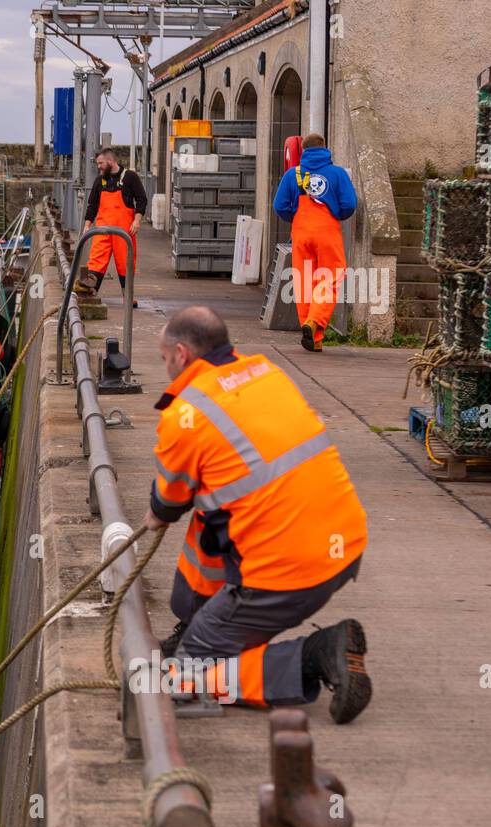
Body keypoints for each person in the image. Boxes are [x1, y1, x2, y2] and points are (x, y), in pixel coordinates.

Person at [145, 305, 372, 723]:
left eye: (164, 359)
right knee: (213, 513)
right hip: (345, 545)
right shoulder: (266, 372)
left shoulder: (184, 414)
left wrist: (154, 514)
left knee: (186, 678)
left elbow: (166, 504)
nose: (166, 369)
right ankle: (203, 621)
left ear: (180, 354)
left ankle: (315, 654)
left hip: (288, 573)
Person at [272, 133, 358, 352]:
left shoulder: (293, 175)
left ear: (304, 151)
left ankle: (313, 336)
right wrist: (336, 213)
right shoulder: (337, 173)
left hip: (301, 232)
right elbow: (349, 203)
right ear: (325, 149)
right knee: (331, 277)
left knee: (303, 282)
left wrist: (296, 217)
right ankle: (315, 322)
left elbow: (279, 205)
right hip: (327, 231)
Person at [75, 148, 147, 307]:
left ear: (110, 161)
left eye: (100, 163)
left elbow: (142, 200)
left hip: (124, 231)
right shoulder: (99, 182)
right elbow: (92, 205)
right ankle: (90, 291)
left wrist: (137, 221)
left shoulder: (130, 178)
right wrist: (87, 225)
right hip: (102, 230)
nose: (99, 166)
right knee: (95, 261)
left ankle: (127, 296)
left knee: (126, 264)